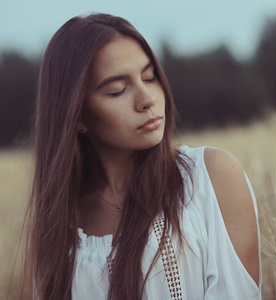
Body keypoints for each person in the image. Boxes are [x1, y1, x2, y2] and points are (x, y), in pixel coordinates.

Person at [27, 13, 261, 299]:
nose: (147, 99)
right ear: (76, 116)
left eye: (150, 77)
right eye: (117, 91)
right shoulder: (57, 227)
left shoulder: (211, 178)